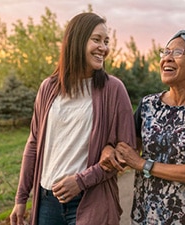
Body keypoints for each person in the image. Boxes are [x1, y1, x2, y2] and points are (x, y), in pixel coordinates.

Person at [9, 12, 136, 225]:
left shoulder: (113, 89)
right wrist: (21, 198)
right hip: (47, 202)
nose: (103, 48)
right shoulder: (48, 88)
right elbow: (33, 144)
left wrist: (81, 181)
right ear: (76, 40)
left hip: (90, 200)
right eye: (96, 40)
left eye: (106, 42)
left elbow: (126, 151)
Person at [114, 30, 185, 224]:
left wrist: (142, 164)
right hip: (145, 217)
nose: (167, 58)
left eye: (177, 53)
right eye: (165, 52)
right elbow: (126, 151)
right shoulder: (148, 105)